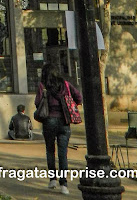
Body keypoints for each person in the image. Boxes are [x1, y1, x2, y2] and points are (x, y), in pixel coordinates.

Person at [34, 63, 82, 195]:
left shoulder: (43, 86)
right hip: (64, 121)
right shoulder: (66, 85)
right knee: (63, 153)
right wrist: (69, 105)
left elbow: (37, 103)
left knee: (50, 151)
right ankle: (64, 184)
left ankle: (52, 180)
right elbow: (78, 97)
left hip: (49, 120)